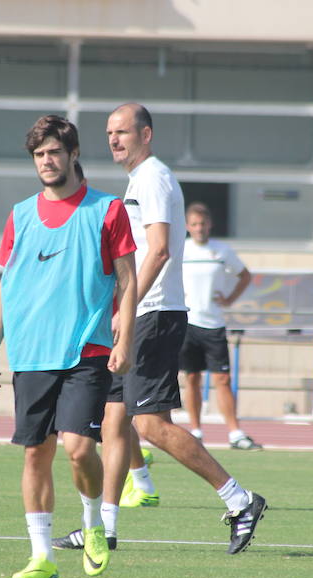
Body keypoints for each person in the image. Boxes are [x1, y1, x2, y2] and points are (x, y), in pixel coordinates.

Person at [54, 104, 266, 555]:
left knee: (149, 424)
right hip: (142, 313)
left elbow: (159, 250)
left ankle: (239, 499)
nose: (113, 139)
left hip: (153, 315)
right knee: (114, 420)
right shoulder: (139, 179)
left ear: (146, 134)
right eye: (109, 132)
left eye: (123, 131)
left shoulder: (152, 177)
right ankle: (102, 529)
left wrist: (124, 307)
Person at [0, 115, 137, 578]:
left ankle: (91, 523)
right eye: (39, 154)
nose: (47, 161)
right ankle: (42, 556)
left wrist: (124, 338)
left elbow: (128, 282)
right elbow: (6, 287)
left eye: (54, 152)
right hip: (30, 353)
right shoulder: (20, 214)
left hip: (86, 349)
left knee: (77, 448)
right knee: (35, 455)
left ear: (73, 155)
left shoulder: (107, 209)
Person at [180, 202, 261, 449]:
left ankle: (235, 433)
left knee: (222, 379)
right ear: (187, 226)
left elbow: (245, 275)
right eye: (194, 224)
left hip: (214, 324)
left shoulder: (221, 251)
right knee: (191, 377)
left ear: (210, 225)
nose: (199, 228)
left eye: (202, 224)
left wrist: (230, 299)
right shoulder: (181, 249)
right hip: (187, 323)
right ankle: (195, 430)